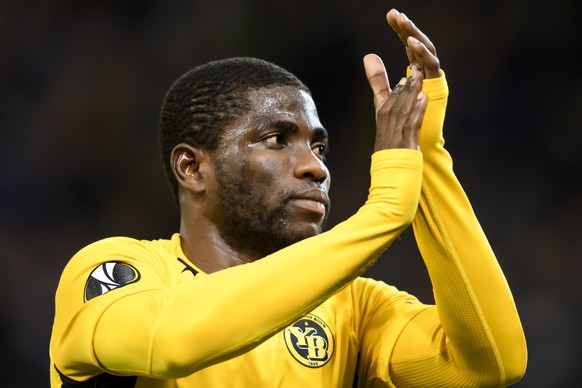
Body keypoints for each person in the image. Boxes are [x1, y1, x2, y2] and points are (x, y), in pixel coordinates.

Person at [49, 8, 527, 387]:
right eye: (277, 139)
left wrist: (424, 155)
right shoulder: (115, 270)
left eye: (318, 146)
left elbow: (491, 363)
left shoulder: (353, 308)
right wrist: (380, 214)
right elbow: (168, 340)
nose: (314, 166)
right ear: (192, 168)